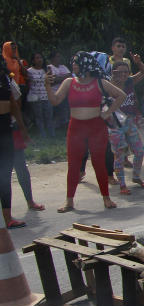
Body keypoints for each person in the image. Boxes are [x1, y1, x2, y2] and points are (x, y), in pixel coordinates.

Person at [45, 52, 125, 212]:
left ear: (86, 65)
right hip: (75, 128)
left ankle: (106, 198)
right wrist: (47, 85)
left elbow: (121, 96)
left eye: (77, 62)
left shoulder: (100, 82)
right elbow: (55, 100)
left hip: (96, 127)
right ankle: (69, 201)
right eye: (73, 62)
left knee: (99, 163)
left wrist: (107, 113)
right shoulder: (69, 82)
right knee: (73, 164)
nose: (74, 65)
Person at [107, 59, 144, 193]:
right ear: (114, 72)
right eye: (120, 72)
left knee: (139, 151)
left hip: (130, 121)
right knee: (119, 155)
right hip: (115, 124)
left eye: (126, 72)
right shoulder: (109, 85)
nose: (124, 75)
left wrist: (138, 62)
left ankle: (136, 177)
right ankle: (122, 185)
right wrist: (115, 82)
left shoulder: (130, 81)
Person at [0, 71, 31, 228]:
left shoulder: (5, 78)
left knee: (5, 174)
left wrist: (22, 128)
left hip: (6, 126)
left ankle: (7, 217)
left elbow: (13, 104)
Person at [25, 52, 54, 138]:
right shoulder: (29, 71)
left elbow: (51, 82)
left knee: (49, 116)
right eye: (37, 58)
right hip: (35, 97)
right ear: (33, 60)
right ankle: (43, 135)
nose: (39, 59)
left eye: (40, 57)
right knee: (39, 117)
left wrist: (50, 73)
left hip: (46, 96)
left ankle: (52, 134)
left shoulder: (46, 70)